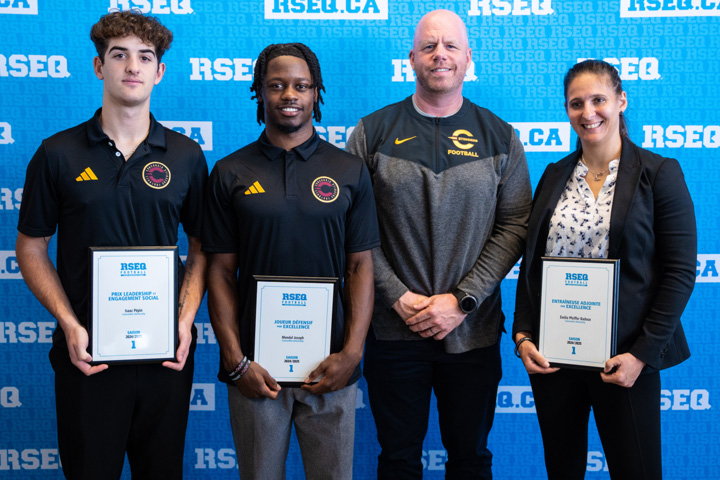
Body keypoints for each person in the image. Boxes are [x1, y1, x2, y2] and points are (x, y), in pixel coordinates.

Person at [15, 10, 207, 479]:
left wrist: (184, 322)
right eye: (119, 55)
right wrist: (69, 324)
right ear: (100, 66)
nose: (132, 67)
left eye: (145, 57)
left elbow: (203, 250)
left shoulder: (186, 156)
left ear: (159, 72)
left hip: (166, 355)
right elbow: (31, 247)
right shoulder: (56, 153)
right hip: (87, 356)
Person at [346, 9, 531, 479]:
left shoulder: (501, 136)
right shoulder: (371, 133)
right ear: (411, 58)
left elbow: (514, 226)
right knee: (398, 460)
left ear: (469, 58)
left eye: (450, 46)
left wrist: (462, 300)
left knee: (471, 460)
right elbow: (354, 229)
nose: (440, 55)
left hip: (472, 331)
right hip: (392, 330)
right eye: (429, 46)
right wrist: (398, 297)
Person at [203, 42, 379, 480]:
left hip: (331, 366)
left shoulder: (348, 170)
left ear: (317, 93)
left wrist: (352, 353)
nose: (289, 95)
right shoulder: (229, 172)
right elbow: (221, 272)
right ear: (258, 93)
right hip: (256, 372)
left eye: (301, 85)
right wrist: (235, 361)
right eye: (276, 85)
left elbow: (360, 268)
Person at [513, 59, 696, 479]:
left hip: (625, 359)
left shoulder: (659, 173)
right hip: (553, 358)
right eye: (576, 103)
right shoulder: (554, 174)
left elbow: (680, 272)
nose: (588, 112)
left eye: (599, 99)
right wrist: (523, 337)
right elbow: (532, 264)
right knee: (563, 471)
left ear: (621, 101)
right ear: (566, 110)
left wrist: (641, 356)